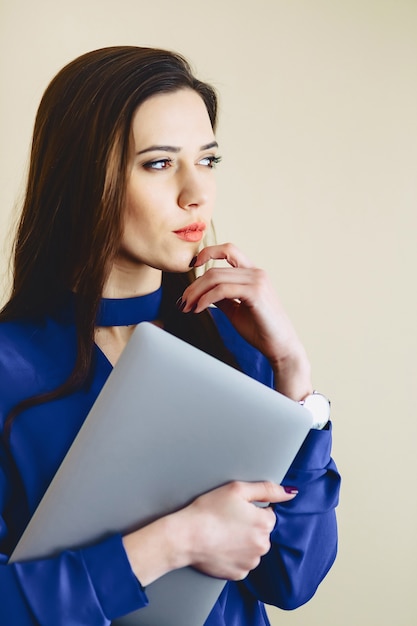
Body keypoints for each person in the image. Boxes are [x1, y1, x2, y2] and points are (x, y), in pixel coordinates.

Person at [0, 46, 340, 625]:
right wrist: (175, 542)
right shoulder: (11, 365)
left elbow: (291, 578)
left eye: (207, 160)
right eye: (158, 163)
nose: (196, 194)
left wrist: (291, 371)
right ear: (82, 176)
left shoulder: (236, 345)